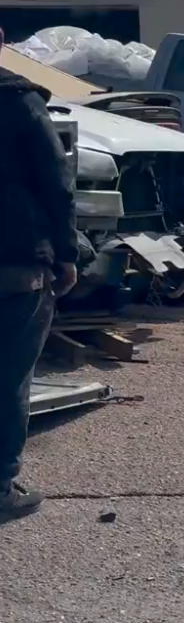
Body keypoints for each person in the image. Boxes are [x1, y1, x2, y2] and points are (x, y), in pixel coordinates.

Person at [1, 34, 80, 522]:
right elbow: (57, 182)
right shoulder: (19, 102)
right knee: (9, 377)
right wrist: (68, 256)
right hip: (16, 267)